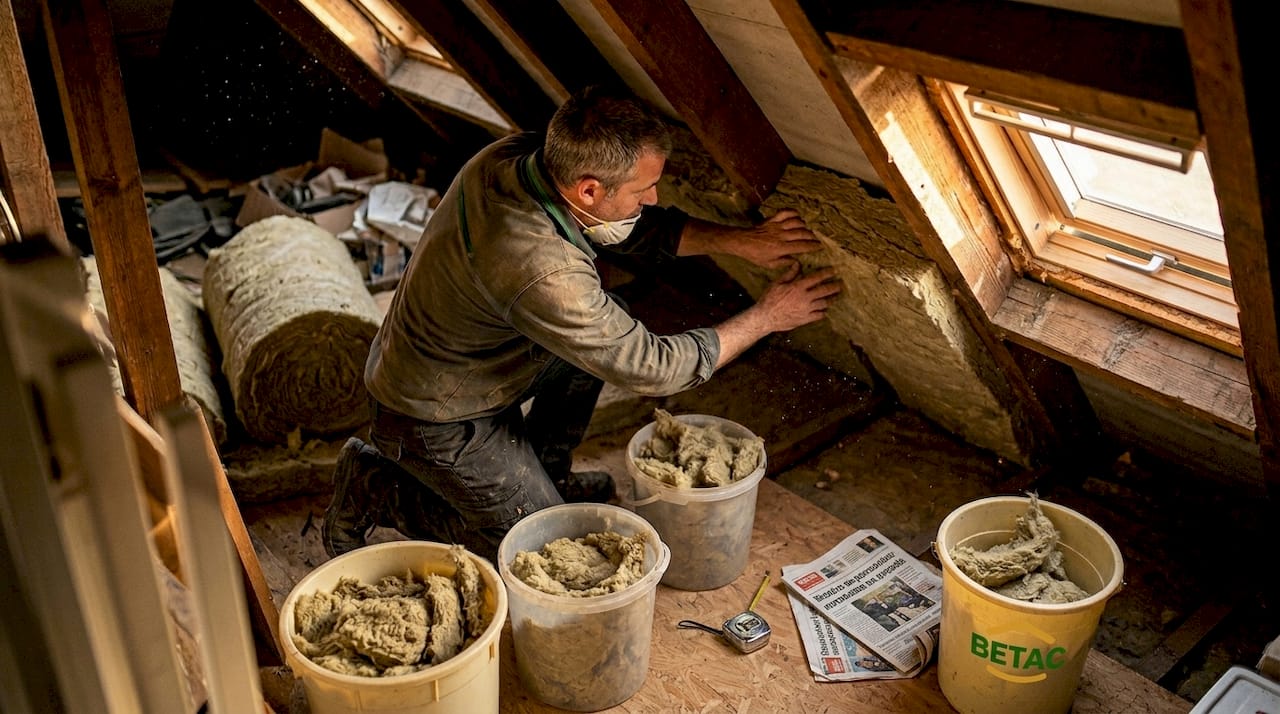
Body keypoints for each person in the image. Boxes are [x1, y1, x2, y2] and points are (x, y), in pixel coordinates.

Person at [323, 85, 841, 562]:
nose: (653, 199)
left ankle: (546, 472)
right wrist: (770, 315)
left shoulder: (516, 158)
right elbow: (654, 368)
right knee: (540, 546)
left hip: (462, 357)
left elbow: (625, 224)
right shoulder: (538, 266)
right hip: (432, 413)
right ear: (588, 191)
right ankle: (377, 486)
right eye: (646, 190)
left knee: (599, 339)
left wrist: (740, 241)